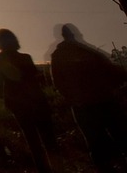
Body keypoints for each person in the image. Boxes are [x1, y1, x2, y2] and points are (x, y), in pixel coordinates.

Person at [49, 23, 127, 172]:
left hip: (84, 106)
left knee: (97, 144)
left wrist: (74, 99)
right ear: (75, 34)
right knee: (120, 136)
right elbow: (112, 70)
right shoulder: (88, 51)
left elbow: (58, 83)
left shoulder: (59, 55)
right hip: (103, 101)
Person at [0, 27, 58, 173]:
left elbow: (6, 78)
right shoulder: (25, 58)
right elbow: (32, 78)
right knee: (47, 139)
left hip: (19, 103)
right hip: (35, 100)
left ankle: (45, 169)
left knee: (33, 141)